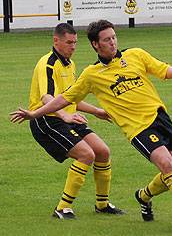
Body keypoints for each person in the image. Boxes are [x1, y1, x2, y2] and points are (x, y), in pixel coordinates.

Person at [10, 20, 172, 231]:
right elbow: (58, 98)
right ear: (96, 44)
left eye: (114, 37)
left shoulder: (135, 54)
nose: (113, 42)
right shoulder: (85, 72)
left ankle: (135, 198)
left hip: (161, 119)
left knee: (167, 171)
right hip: (132, 128)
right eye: (107, 39)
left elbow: (165, 71)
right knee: (157, 165)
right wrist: (34, 114)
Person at [14, 23, 124, 219]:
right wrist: (64, 115)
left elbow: (71, 98)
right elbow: (47, 98)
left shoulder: (70, 64)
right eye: (68, 42)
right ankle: (62, 208)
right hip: (46, 119)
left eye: (75, 43)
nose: (73, 47)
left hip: (67, 118)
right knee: (86, 155)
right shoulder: (47, 63)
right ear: (56, 41)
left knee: (102, 152)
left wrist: (97, 111)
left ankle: (102, 204)